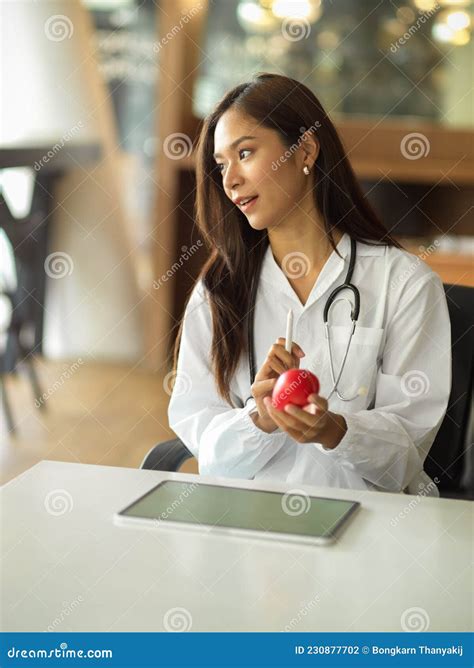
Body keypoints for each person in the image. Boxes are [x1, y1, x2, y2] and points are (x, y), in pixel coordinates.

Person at [167, 73, 451, 495]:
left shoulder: (404, 284)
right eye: (221, 165)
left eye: (245, 153)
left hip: (366, 529)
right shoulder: (219, 289)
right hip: (248, 529)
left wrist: (336, 430)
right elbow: (206, 448)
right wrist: (258, 419)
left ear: (305, 150)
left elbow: (407, 455)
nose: (230, 180)